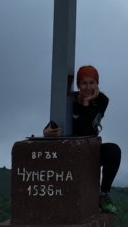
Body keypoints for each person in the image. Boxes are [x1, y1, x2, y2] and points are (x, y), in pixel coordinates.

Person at [43, 65, 121, 214]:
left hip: (89, 149)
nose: (88, 87)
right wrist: (46, 131)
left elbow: (87, 129)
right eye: (84, 83)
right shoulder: (69, 100)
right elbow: (55, 122)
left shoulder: (102, 100)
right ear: (78, 85)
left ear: (97, 84)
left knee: (113, 150)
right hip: (69, 151)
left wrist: (86, 103)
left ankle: (103, 194)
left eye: (92, 82)